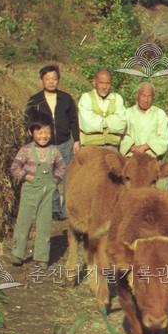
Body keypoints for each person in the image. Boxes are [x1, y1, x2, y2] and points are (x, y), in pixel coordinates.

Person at [8, 110, 66, 267]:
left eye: (47, 132)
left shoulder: (54, 151)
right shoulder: (26, 150)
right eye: (39, 132)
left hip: (47, 191)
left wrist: (55, 180)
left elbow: (61, 167)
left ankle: (41, 257)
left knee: (44, 224)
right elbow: (14, 167)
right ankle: (18, 254)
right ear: (30, 132)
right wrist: (26, 176)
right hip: (30, 190)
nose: (43, 136)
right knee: (24, 222)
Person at [24, 65, 79, 220]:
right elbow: (29, 123)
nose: (51, 82)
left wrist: (77, 141)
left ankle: (66, 210)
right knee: (49, 176)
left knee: (69, 177)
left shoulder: (66, 98)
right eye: (47, 79)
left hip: (65, 143)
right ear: (42, 80)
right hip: (45, 145)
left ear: (58, 80)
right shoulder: (35, 101)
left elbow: (74, 120)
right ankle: (54, 209)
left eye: (54, 79)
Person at [77, 69, 127, 149]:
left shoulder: (117, 98)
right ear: (94, 83)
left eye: (107, 83)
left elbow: (121, 125)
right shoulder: (86, 98)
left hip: (112, 147)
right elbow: (87, 125)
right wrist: (110, 122)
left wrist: (99, 122)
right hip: (90, 147)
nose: (104, 87)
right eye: (101, 83)